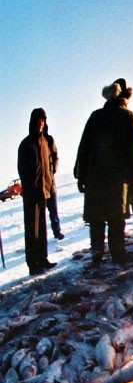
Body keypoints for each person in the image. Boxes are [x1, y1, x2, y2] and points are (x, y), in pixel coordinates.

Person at [74, 78, 133, 267]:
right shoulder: (128, 116)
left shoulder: (95, 116)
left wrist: (81, 175)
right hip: (117, 177)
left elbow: (84, 147)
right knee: (116, 217)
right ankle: (118, 255)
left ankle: (97, 254)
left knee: (96, 219)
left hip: (95, 176)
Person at [17, 108, 58, 274]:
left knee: (42, 229)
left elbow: (51, 161)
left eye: (43, 121)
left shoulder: (45, 142)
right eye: (38, 121)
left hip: (44, 191)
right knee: (32, 231)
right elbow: (22, 169)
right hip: (31, 193)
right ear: (33, 122)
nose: (40, 124)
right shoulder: (26, 144)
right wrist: (30, 186)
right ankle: (32, 264)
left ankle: (43, 259)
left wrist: (51, 174)